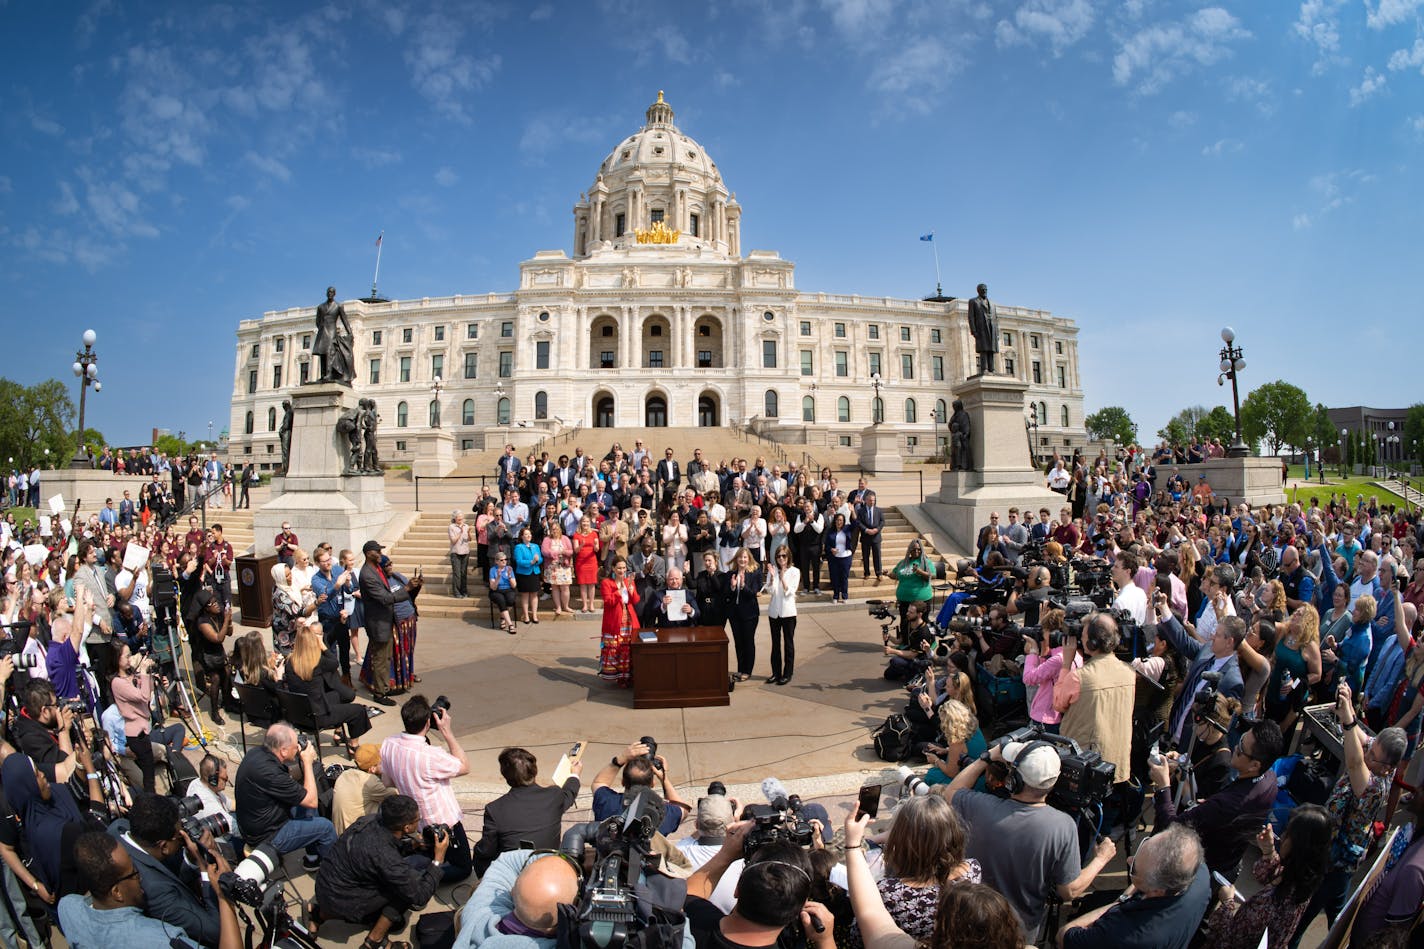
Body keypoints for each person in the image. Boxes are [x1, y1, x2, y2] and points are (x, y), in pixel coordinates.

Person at [944, 739, 1115, 942]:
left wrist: (987, 757)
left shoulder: (980, 806)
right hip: (1018, 931)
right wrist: (1101, 859)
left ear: (1013, 780)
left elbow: (951, 792)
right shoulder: (1062, 826)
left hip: (969, 918)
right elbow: (1069, 890)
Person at [1289, 683, 1409, 946]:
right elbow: (1361, 737)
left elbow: (1354, 761)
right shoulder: (1376, 755)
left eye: (1374, 757)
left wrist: (1347, 723)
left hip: (1333, 863)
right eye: (1369, 750)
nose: (1367, 756)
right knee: (1336, 912)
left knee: (1302, 919)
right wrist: (1348, 708)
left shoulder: (1375, 786)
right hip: (1340, 860)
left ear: (1389, 769)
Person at [1148, 716, 1284, 878]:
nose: (1235, 747)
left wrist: (1164, 786)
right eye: (1241, 739)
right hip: (1229, 861)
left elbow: (1169, 828)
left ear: (1255, 765)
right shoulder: (1270, 780)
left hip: (1202, 872)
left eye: (1241, 747)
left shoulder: (1226, 804)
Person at [58, 831, 241, 949]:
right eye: (134, 873)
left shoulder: (67, 907)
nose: (141, 877)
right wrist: (223, 896)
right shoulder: (159, 940)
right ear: (116, 892)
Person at [311, 795, 447, 949]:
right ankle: (374, 941)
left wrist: (413, 846)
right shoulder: (384, 855)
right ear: (407, 828)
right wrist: (438, 860)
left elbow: (380, 849)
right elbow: (419, 896)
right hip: (341, 899)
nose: (419, 821)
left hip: (326, 886)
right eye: (417, 819)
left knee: (396, 916)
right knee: (409, 885)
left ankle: (316, 913)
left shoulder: (368, 821)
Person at [845, 795, 980, 949]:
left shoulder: (888, 891)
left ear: (900, 843)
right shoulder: (972, 870)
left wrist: (853, 844)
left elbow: (859, 935)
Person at [1056, 824, 1209, 949]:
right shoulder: (1200, 874)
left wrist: (1118, 904)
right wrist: (1128, 895)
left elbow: (1063, 936)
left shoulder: (1125, 935)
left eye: (1134, 868)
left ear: (1156, 890)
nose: (1129, 859)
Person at [1207, 806, 1333, 949]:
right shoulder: (1304, 880)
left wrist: (1227, 903)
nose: (1283, 836)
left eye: (1288, 833)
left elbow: (1229, 939)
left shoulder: (1267, 904)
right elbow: (1267, 876)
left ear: (1299, 846)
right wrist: (1269, 851)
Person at [380, 693, 473, 884]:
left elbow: (387, 782)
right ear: (428, 723)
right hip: (444, 824)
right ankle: (417, 878)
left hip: (416, 821)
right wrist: (447, 732)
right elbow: (464, 766)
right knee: (463, 868)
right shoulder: (431, 755)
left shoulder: (388, 744)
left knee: (431, 854)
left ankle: (420, 865)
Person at [109, 792, 223, 946]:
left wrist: (190, 859)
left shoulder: (119, 828)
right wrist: (204, 869)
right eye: (179, 836)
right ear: (164, 846)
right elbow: (215, 932)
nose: (184, 837)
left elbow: (169, 871)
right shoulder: (156, 892)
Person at [233, 722, 336, 866]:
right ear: (283, 751)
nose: (298, 748)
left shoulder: (257, 753)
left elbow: (287, 781)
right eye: (295, 746)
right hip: (266, 836)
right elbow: (311, 800)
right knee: (326, 828)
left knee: (307, 809)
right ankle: (335, 874)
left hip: (256, 822)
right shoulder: (271, 773)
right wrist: (307, 762)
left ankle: (313, 858)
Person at [472, 747, 581, 877]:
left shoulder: (494, 808)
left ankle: (484, 884)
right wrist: (574, 774)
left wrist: (478, 849)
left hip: (513, 870)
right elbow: (570, 791)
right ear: (535, 770)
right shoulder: (554, 796)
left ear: (505, 775)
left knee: (481, 854)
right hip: (548, 864)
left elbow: (487, 849)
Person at [1057, 612, 1137, 783]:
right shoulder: (1129, 672)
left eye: (1083, 636)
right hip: (1117, 760)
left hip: (1086, 764)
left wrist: (1066, 664)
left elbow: (1058, 704)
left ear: (1093, 643)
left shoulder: (1078, 677)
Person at [450, 849, 581, 949]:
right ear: (569, 914)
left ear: (512, 892)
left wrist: (557, 861)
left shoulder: (476, 915)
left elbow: (506, 861)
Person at [283, 621, 371, 756]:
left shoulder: (289, 662)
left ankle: (338, 732)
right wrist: (323, 645)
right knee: (358, 711)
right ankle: (354, 746)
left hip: (299, 714)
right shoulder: (317, 661)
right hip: (319, 715)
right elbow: (334, 662)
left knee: (338, 695)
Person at [359, 539, 421, 707]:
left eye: (380, 551)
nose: (380, 554)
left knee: (387, 658)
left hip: (386, 621)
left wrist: (412, 588)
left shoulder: (377, 568)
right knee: (380, 659)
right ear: (367, 554)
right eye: (377, 552)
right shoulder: (367, 574)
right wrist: (406, 589)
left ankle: (385, 686)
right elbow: (385, 598)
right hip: (378, 624)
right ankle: (379, 694)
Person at [589, 740, 690, 838]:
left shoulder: (607, 801)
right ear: (652, 784)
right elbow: (684, 809)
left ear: (623, 782)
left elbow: (599, 783)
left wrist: (620, 760)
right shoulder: (664, 812)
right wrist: (664, 778)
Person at [107, 642, 164, 793]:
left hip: (143, 730)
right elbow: (144, 696)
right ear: (117, 659)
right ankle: (150, 802)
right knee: (148, 776)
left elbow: (148, 689)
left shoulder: (131, 676)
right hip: (135, 734)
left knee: (150, 770)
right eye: (127, 656)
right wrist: (144, 672)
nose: (130, 658)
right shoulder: (117, 683)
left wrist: (151, 676)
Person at [332, 743, 400, 835]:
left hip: (340, 832)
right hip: (355, 835)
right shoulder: (370, 782)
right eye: (382, 763)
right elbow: (397, 792)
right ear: (372, 768)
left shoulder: (345, 774)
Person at [598, 557, 641, 687]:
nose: (622, 571)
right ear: (613, 569)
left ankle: (627, 677)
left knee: (627, 650)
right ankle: (618, 677)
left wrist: (632, 592)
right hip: (614, 621)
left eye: (624, 568)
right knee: (615, 649)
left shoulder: (630, 582)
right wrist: (620, 590)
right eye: (619, 568)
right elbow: (608, 601)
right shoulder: (607, 583)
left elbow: (635, 600)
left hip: (629, 620)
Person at [724, 547, 764, 681]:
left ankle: (747, 671)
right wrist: (733, 587)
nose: (742, 559)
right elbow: (726, 595)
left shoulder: (755, 573)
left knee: (748, 642)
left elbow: (754, 593)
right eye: (740, 557)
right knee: (738, 643)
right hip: (734, 614)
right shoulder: (730, 574)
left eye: (745, 557)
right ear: (736, 559)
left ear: (749, 559)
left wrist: (743, 587)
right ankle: (740, 670)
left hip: (750, 614)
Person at [766, 545, 800, 685]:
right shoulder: (772, 570)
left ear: (788, 557)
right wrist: (773, 578)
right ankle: (776, 672)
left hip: (788, 613)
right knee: (775, 644)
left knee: (788, 643)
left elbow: (791, 591)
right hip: (774, 612)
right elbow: (770, 591)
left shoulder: (795, 571)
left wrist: (782, 579)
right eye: (779, 556)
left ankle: (787, 673)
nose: (781, 558)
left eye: (784, 556)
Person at [892, 540, 934, 634]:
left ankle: (924, 642)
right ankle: (905, 641)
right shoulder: (903, 563)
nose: (916, 552)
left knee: (922, 622)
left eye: (919, 549)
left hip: (921, 600)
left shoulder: (926, 562)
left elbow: (932, 575)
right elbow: (896, 574)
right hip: (904, 600)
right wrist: (888, 574)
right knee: (905, 621)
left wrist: (919, 572)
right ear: (909, 550)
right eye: (914, 549)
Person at [512, 527, 543, 625]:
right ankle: (525, 615)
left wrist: (537, 561)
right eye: (526, 534)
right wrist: (531, 562)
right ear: (522, 536)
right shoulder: (519, 547)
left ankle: (534, 615)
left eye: (529, 534)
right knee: (525, 595)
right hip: (524, 574)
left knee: (534, 595)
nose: (528, 536)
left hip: (534, 572)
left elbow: (541, 559)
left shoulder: (535, 546)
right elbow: (519, 561)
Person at [824, 512, 857, 603]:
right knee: (835, 577)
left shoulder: (847, 528)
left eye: (841, 520)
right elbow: (826, 545)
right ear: (835, 521)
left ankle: (844, 595)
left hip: (846, 556)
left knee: (844, 577)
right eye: (837, 520)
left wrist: (853, 511)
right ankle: (836, 595)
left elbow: (855, 523)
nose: (839, 522)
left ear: (844, 521)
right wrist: (831, 549)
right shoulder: (830, 531)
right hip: (834, 557)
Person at [571, 516, 600, 613]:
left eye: (587, 522)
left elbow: (597, 549)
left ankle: (591, 604)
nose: (585, 524)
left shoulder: (594, 534)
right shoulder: (576, 534)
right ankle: (584, 605)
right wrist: (581, 545)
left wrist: (596, 546)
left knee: (591, 584)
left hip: (591, 561)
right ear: (581, 523)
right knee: (583, 584)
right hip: (581, 562)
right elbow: (576, 550)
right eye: (584, 522)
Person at [488, 549, 517, 634]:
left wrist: (509, 576)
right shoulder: (493, 570)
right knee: (501, 600)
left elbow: (514, 585)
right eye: (502, 560)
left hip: (508, 589)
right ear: (496, 561)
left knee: (510, 600)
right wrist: (498, 577)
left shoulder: (509, 569)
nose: (504, 561)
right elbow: (493, 587)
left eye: (505, 559)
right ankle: (510, 625)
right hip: (496, 591)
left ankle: (502, 618)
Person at [449, 510, 471, 599]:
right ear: (455, 519)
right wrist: (460, 532)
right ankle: (457, 592)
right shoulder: (451, 527)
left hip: (465, 552)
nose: (461, 521)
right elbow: (453, 540)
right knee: (457, 574)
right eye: (459, 519)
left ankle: (464, 591)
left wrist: (468, 533)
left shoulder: (466, 526)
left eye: (462, 519)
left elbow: (469, 539)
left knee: (463, 573)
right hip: (456, 552)